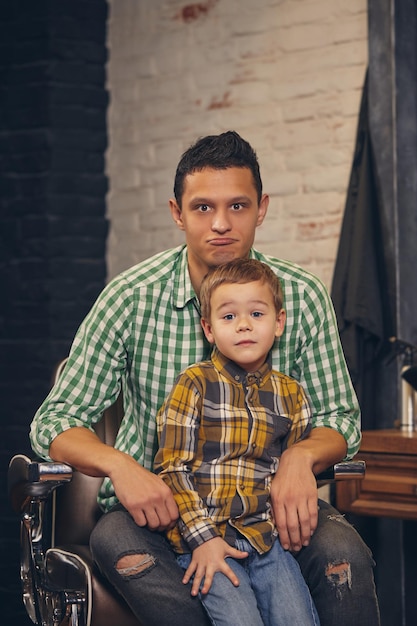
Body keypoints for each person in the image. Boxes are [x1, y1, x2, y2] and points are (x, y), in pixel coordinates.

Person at [30, 130, 380, 626]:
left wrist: (300, 457)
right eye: (202, 208)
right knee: (115, 539)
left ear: (262, 209)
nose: (220, 224)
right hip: (157, 511)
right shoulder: (130, 297)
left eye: (238, 206)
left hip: (267, 507)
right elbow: (55, 420)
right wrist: (122, 468)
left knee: (345, 552)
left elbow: (338, 417)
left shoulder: (300, 296)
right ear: (177, 212)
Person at [154, 258, 320, 626]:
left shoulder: (290, 394)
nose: (244, 325)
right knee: (240, 620)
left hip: (265, 540)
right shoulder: (193, 384)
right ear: (208, 329)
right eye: (228, 317)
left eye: (257, 314)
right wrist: (203, 539)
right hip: (206, 538)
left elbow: (292, 470)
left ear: (279, 323)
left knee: (298, 619)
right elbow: (172, 469)